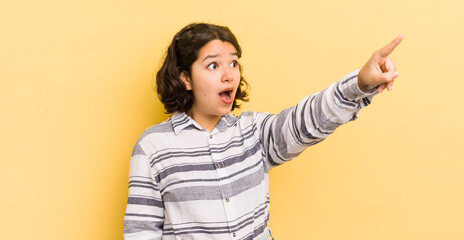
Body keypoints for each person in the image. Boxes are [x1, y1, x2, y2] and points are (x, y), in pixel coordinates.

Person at [123, 23, 403, 240]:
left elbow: (307, 120)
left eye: (233, 63)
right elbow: (141, 232)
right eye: (213, 65)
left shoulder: (252, 131)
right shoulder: (153, 146)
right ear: (185, 78)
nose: (229, 74)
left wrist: (360, 83)